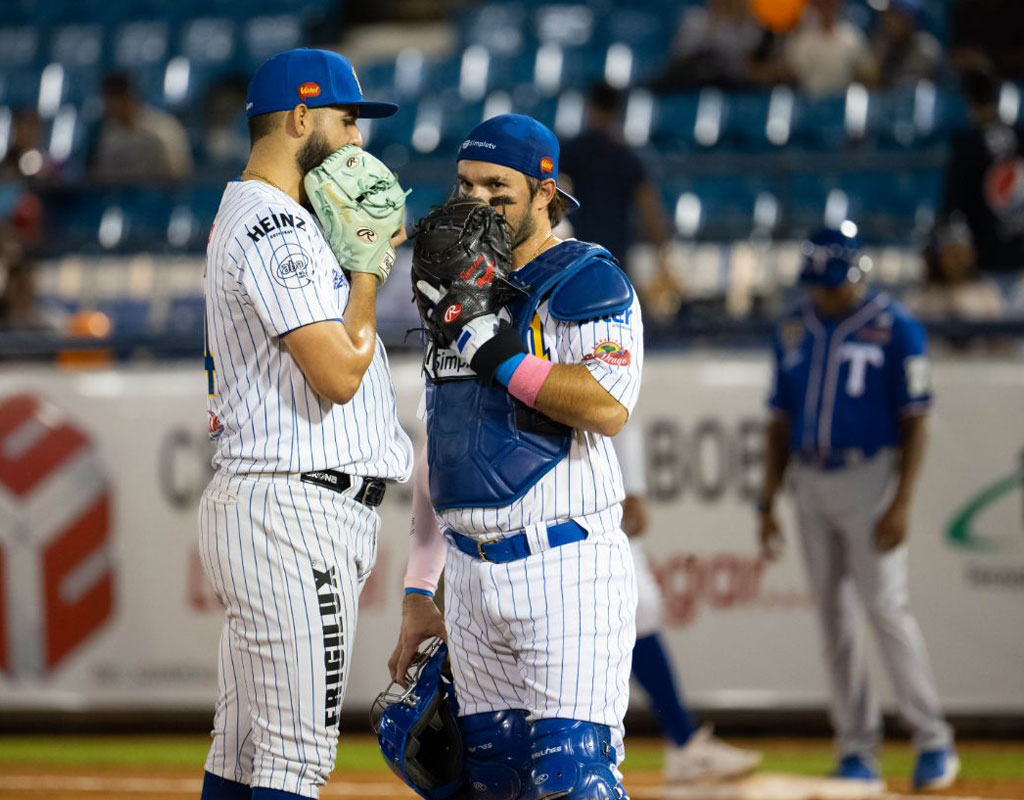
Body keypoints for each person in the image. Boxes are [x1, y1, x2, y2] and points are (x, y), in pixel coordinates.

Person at [389, 114, 642, 800]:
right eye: (466, 183)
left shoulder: (585, 277)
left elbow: (605, 405)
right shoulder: (455, 284)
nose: (475, 199)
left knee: (572, 780)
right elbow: (440, 451)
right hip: (469, 577)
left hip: (564, 567)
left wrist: (486, 345)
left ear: (544, 190)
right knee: (490, 783)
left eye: (496, 185)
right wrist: (418, 590)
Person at [197, 48, 413, 800]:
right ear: (299, 117)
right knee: (293, 762)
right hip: (294, 515)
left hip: (280, 505)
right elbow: (337, 373)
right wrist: (368, 269)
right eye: (346, 119)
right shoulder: (276, 227)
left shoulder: (274, 219)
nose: (358, 141)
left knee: (244, 751)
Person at [756, 226, 959, 791]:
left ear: (859, 271)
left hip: (870, 475)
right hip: (810, 478)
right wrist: (767, 500)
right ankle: (856, 748)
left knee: (886, 611)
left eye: (832, 282)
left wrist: (902, 500)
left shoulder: (898, 326)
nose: (823, 293)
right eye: (816, 283)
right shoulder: (796, 325)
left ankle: (934, 741)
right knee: (835, 623)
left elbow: (917, 419)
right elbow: (779, 421)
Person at [611, 422, 763, 783]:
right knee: (635, 609)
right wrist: (632, 487)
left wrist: (632, 486)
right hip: (581, 493)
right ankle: (683, 743)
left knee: (638, 611)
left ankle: (684, 742)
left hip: (599, 488)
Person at [561, 82, 680, 315]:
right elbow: (650, 210)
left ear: (590, 107)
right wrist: (663, 260)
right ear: (618, 110)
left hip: (575, 259)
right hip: (615, 260)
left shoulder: (571, 151)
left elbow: (555, 199)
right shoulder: (628, 156)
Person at [937, 67, 1024, 281]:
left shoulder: (968, 146)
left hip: (990, 259)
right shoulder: (1021, 135)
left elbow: (951, 208)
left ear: (969, 102)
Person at [87, 72, 192, 182]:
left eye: (111, 99)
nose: (107, 106)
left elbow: (178, 175)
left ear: (127, 97)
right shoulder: (108, 134)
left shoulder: (164, 128)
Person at [785, 0, 875, 97]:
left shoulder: (852, 38)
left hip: (842, 104)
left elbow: (869, 75)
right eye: (823, 4)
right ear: (816, 6)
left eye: (830, 4)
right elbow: (789, 74)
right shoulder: (801, 41)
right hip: (810, 104)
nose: (827, 7)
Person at [868, 0, 942, 89]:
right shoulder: (888, 45)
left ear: (909, 19)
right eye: (887, 15)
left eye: (894, 15)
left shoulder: (925, 50)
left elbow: (908, 92)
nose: (887, 20)